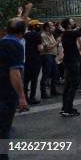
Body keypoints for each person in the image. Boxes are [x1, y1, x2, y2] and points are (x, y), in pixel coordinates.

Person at [1, 18, 28, 160]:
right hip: (5, 94)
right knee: (4, 131)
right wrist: (22, 97)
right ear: (22, 32)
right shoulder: (15, 45)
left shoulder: (2, 41)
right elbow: (14, 73)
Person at [60, 16, 81, 117]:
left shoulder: (67, 33)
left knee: (68, 85)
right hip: (72, 62)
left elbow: (79, 31)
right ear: (69, 25)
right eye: (72, 21)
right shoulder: (69, 33)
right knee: (73, 85)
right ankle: (68, 109)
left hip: (69, 61)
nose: (74, 22)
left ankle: (65, 107)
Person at [23, 20, 43, 105]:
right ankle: (32, 97)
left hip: (26, 59)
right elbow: (40, 48)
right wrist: (43, 46)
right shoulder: (37, 35)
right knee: (34, 80)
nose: (40, 27)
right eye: (38, 25)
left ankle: (25, 97)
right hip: (35, 60)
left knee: (26, 80)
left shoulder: (25, 35)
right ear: (34, 26)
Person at [40, 21, 61, 98]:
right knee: (46, 74)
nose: (53, 27)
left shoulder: (51, 35)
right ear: (47, 27)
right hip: (46, 56)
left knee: (55, 73)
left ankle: (53, 90)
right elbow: (48, 47)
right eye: (51, 26)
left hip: (52, 56)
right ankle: (43, 93)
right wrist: (57, 42)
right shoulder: (43, 35)